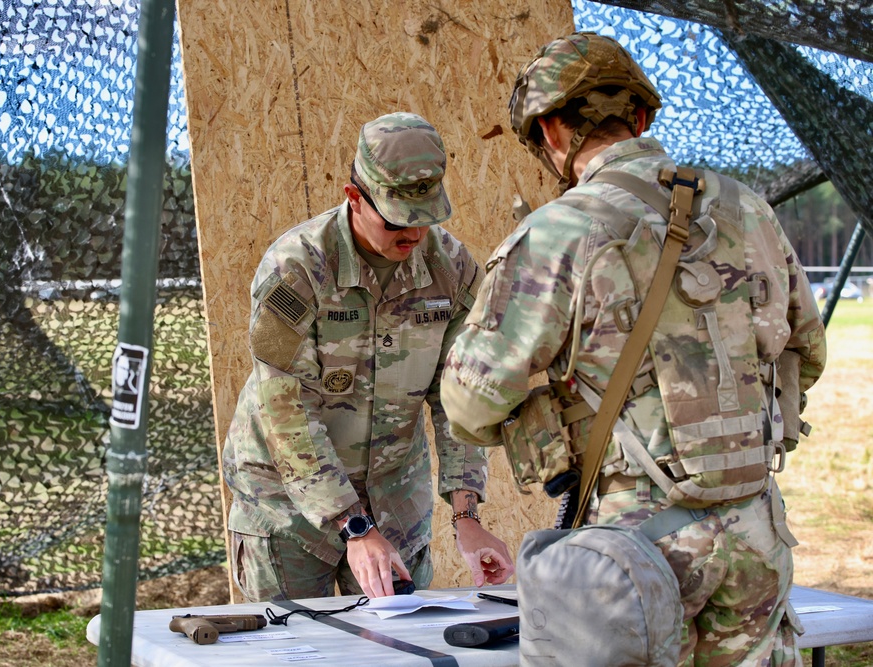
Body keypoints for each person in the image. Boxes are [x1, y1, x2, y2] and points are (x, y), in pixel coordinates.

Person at [440, 33, 826, 666]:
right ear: (642, 117)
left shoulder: (559, 231)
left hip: (635, 551)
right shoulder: (749, 209)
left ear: (553, 130)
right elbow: (805, 351)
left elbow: (468, 402)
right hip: (756, 531)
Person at [223, 111, 514, 602]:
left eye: (427, 218)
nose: (415, 234)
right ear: (354, 197)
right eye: (398, 220)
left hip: (395, 502)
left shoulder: (452, 269)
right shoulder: (296, 270)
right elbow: (286, 412)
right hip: (289, 512)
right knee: (298, 656)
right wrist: (354, 526)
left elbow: (459, 399)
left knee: (399, 653)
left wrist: (467, 517)